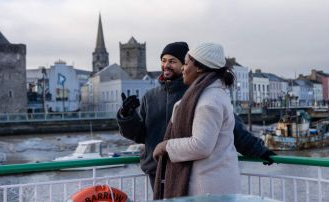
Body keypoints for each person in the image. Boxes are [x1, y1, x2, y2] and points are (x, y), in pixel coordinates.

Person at [117, 42, 275, 190]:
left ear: (185, 64)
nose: (166, 65)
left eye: (173, 61)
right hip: (156, 170)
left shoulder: (198, 93)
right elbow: (140, 135)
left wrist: (259, 150)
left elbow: (234, 129)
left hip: (185, 171)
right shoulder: (150, 97)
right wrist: (127, 116)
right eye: (163, 60)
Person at [153, 43, 241, 198]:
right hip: (212, 183)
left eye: (186, 64)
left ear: (199, 68)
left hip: (207, 188)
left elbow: (201, 146)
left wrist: (166, 146)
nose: (182, 68)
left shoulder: (208, 101)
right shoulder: (211, 94)